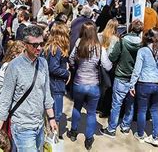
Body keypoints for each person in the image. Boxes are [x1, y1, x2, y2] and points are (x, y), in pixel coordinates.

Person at [0, 25, 57, 152]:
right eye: (34, 45)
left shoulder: (43, 63)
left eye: (41, 43)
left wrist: (51, 118)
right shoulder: (13, 67)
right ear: (25, 44)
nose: (39, 48)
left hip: (40, 124)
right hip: (22, 127)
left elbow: (47, 94)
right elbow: (5, 100)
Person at [129, 29, 158, 146]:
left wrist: (132, 85)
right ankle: (155, 137)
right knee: (155, 110)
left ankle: (140, 135)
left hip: (143, 84)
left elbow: (137, 70)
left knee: (142, 110)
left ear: (147, 37)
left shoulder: (142, 51)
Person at [68, 22, 111, 150]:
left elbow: (71, 59)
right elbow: (107, 66)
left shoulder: (78, 43)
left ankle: (74, 132)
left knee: (77, 107)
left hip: (79, 82)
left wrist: (78, 63)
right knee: (91, 113)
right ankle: (89, 139)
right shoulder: (99, 47)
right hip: (93, 84)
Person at [100, 20, 143, 138]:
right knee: (130, 104)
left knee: (116, 104)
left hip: (121, 76)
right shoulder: (142, 44)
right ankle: (125, 127)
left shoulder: (122, 41)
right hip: (134, 78)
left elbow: (112, 57)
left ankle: (112, 129)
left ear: (130, 28)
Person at [42, 22, 70, 137]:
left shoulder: (51, 47)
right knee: (56, 114)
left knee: (51, 112)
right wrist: (67, 73)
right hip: (55, 85)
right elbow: (53, 68)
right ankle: (53, 138)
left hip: (52, 84)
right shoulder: (56, 49)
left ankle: (51, 136)